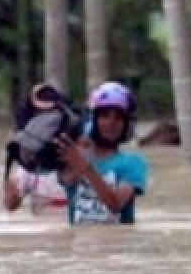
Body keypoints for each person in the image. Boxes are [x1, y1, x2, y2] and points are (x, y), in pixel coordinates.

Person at [56, 81, 149, 225]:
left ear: (127, 125)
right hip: (78, 244)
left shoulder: (133, 163)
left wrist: (86, 168)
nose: (111, 123)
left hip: (119, 245)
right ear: (92, 120)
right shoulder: (73, 157)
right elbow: (65, 179)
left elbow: (116, 204)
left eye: (118, 118)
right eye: (104, 116)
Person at [3, 83, 68, 215]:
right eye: (40, 115)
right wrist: (10, 193)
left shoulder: (75, 156)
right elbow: (11, 206)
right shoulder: (28, 165)